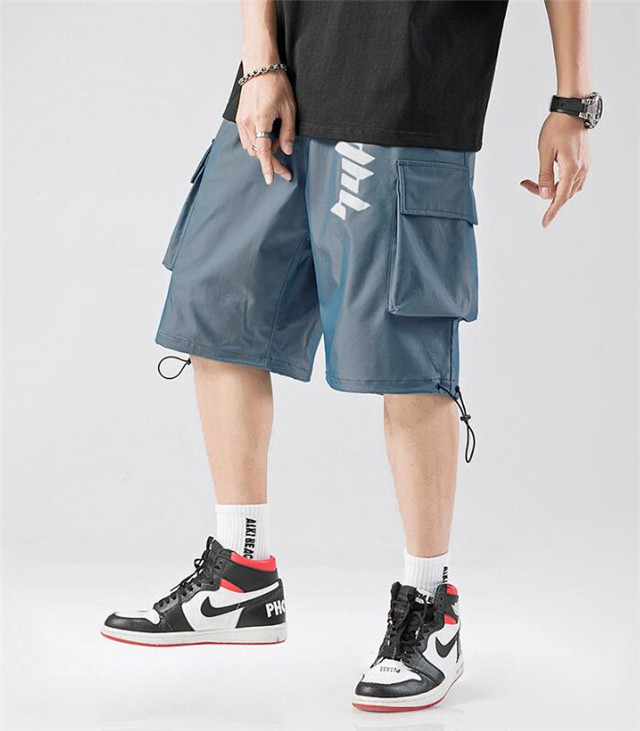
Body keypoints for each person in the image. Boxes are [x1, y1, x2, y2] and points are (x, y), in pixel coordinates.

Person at [101, 0, 601, 712]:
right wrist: (260, 59)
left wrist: (573, 103)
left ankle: (431, 608)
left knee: (404, 352)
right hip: (285, 76)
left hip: (408, 86)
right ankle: (242, 573)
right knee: (217, 302)